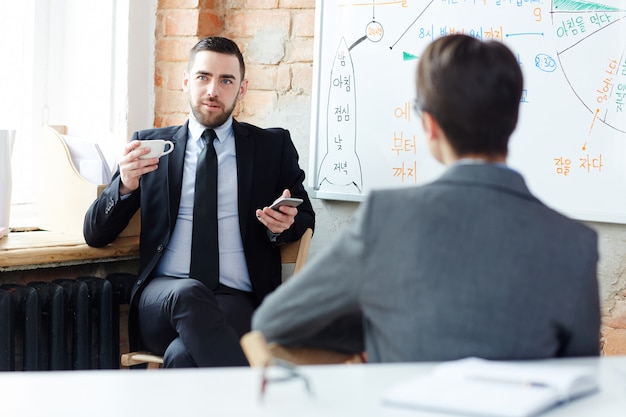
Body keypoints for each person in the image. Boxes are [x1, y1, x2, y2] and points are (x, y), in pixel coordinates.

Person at [252, 34, 600, 363]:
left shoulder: (386, 217)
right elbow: (581, 373)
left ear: (431, 125)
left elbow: (274, 320)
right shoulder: (576, 243)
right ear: (512, 120)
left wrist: (384, 332)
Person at [84, 36, 315, 367]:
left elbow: (305, 216)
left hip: (235, 299)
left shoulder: (270, 147)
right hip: (162, 300)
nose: (213, 91)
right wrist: (125, 184)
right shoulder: (151, 146)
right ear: (186, 82)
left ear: (242, 88)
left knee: (182, 356)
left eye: (226, 80)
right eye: (203, 77)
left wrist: (284, 227)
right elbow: (95, 234)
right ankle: (257, 395)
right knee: (188, 293)